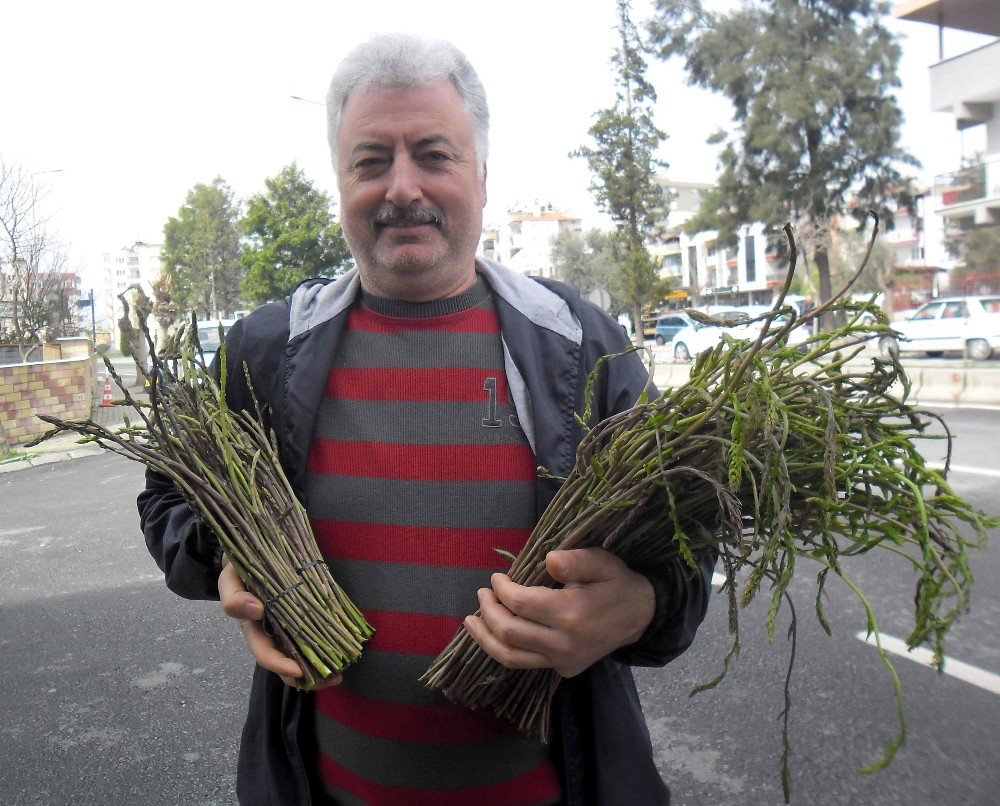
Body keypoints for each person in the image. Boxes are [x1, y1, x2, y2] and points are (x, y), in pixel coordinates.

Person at [139, 33, 715, 806]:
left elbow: (690, 545)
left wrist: (639, 607)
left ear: (481, 175)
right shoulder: (267, 353)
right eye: (371, 161)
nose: (401, 187)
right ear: (340, 181)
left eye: (434, 155)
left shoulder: (579, 347)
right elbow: (169, 501)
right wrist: (225, 559)